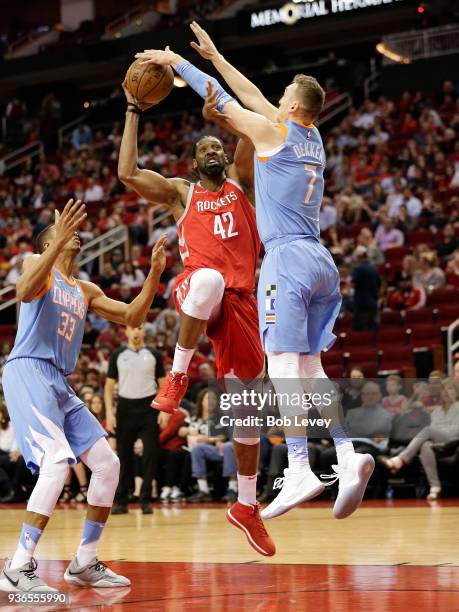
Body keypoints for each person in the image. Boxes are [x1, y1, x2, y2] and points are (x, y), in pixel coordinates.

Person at [137, 22, 374, 522]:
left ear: (290, 106)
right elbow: (250, 94)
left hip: (285, 259)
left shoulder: (271, 131)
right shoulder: (311, 137)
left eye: (282, 94)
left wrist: (175, 62)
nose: (276, 98)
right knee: (311, 368)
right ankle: (349, 455)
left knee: (284, 368)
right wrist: (217, 54)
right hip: (321, 261)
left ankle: (299, 466)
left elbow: (223, 98)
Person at [118, 79, 274, 555]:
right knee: (206, 279)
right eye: (204, 148)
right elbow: (127, 173)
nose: (213, 151)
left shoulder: (243, 183)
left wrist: (224, 116)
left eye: (217, 147)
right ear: (191, 163)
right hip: (200, 290)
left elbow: (256, 130)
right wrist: (132, 109)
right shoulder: (181, 193)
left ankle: (246, 506)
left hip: (243, 304)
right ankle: (179, 374)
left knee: (249, 409)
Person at [0, 199, 167, 593]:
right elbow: (24, 291)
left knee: (109, 464)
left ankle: (85, 560)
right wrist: (55, 245)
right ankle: (18, 565)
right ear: (49, 245)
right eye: (63, 231)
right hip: (27, 369)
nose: (73, 233)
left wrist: (154, 276)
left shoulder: (85, 289)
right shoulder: (34, 265)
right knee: (57, 463)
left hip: (58, 380)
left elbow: (132, 317)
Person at [105, 323, 165, 515]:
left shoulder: (155, 355)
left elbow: (163, 384)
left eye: (140, 328)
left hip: (149, 408)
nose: (137, 331)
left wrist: (164, 410)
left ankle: (145, 499)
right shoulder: (117, 355)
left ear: (144, 331)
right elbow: (108, 386)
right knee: (123, 455)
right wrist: (109, 412)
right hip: (125, 408)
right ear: (127, 331)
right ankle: (122, 500)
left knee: (150, 454)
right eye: (133, 328)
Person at [380, 381, 459, 500]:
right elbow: (434, 431)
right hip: (438, 443)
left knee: (428, 430)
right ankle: (435, 487)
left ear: (457, 393)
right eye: (444, 390)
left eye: (450, 389)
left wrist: (437, 432)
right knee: (425, 445)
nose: (446, 392)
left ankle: (400, 459)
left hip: (453, 442)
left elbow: (455, 431)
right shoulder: (436, 412)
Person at [351, 245, 380, 331]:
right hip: (373, 303)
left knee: (359, 332)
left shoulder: (358, 269)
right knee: (373, 332)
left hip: (361, 305)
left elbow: (353, 284)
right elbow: (379, 284)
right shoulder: (374, 268)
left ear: (358, 256)